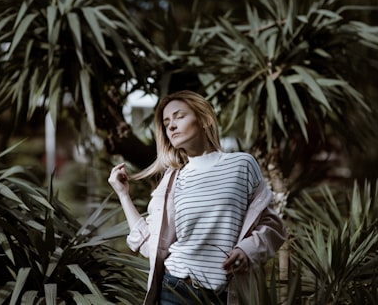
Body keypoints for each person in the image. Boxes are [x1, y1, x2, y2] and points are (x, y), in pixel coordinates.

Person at [108, 90, 286, 305]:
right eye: (166, 123)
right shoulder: (173, 179)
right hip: (176, 289)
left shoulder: (242, 165)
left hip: (225, 294)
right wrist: (123, 194)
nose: (171, 126)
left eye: (179, 116)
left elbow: (273, 225)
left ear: (204, 120)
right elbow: (150, 244)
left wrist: (246, 250)